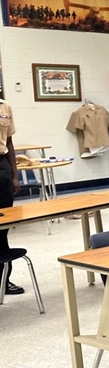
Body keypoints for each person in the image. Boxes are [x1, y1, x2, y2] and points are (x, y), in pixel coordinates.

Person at [0, 95, 22, 295]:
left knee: (3, 225)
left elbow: (9, 142)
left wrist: (15, 174)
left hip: (2, 168)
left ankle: (3, 281)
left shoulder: (4, 106)